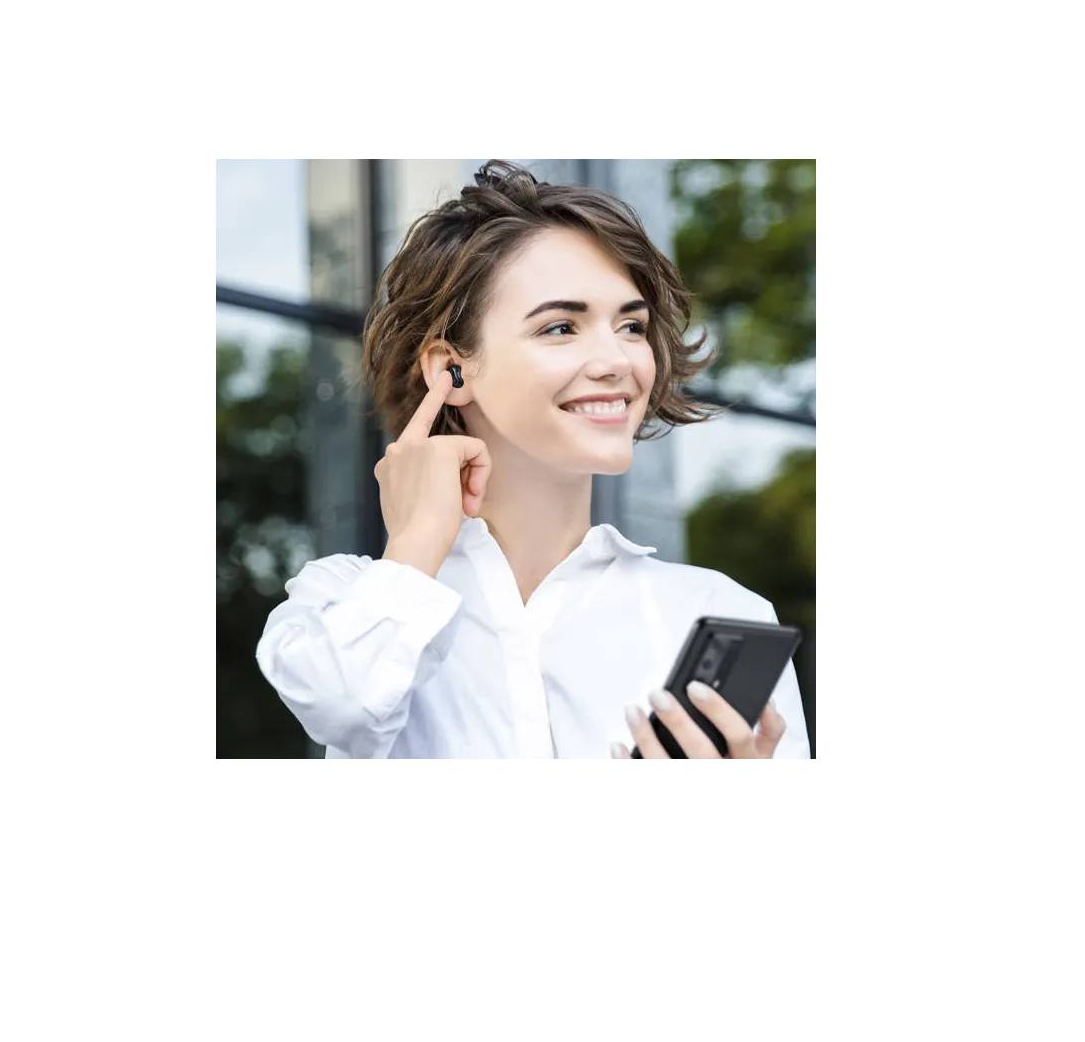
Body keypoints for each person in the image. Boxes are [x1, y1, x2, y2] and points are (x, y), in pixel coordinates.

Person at [255, 159, 812, 763]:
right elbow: (344, 706)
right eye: (561, 327)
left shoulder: (716, 611)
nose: (617, 361)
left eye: (631, 326)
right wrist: (417, 537)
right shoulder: (339, 601)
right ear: (451, 370)